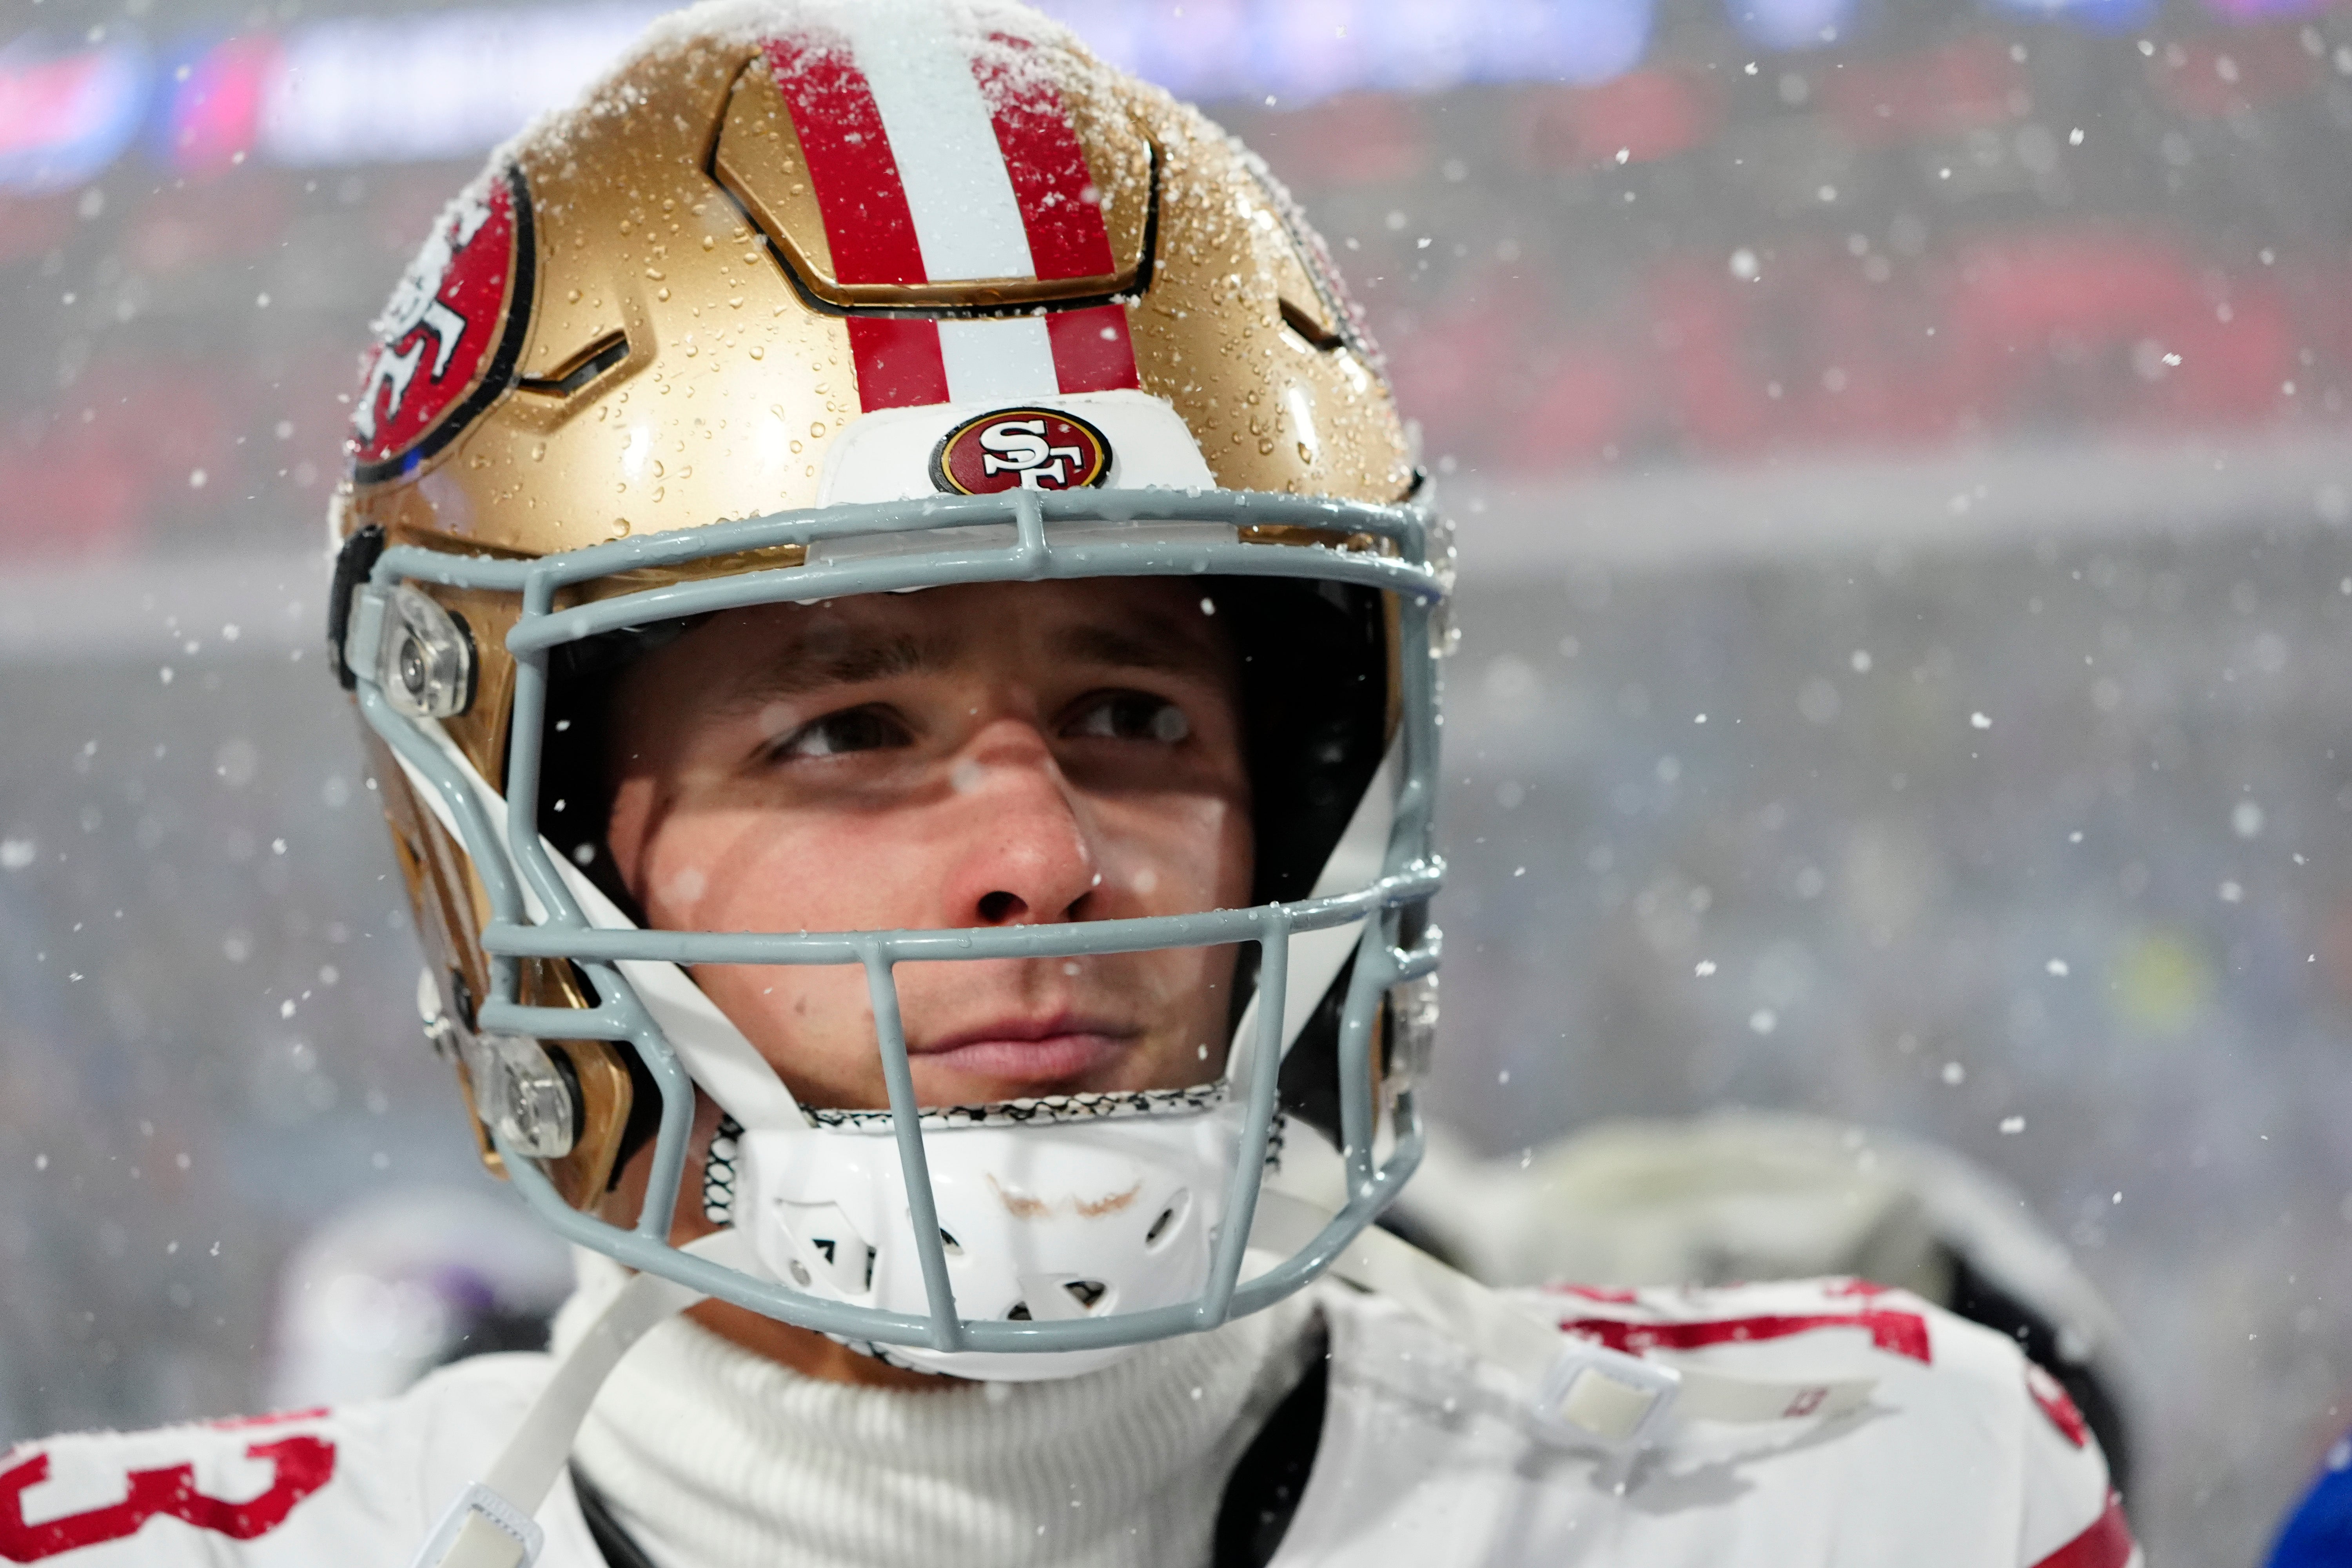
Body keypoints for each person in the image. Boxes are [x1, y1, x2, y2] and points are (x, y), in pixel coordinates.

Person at [0, 4, 2136, 1565]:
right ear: (542, 841)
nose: (1041, 855)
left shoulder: (1859, 1502)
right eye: (847, 734)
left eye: (1131, 714)